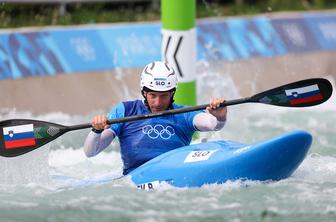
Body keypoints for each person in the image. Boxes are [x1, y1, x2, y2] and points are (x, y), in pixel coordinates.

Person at [84, 61, 227, 175]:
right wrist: (96, 131)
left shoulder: (184, 113)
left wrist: (220, 117)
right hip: (134, 179)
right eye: (153, 95)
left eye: (164, 96)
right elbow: (90, 152)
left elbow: (212, 124)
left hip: (175, 175)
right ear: (144, 92)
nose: (158, 102)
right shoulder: (125, 111)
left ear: (172, 93)